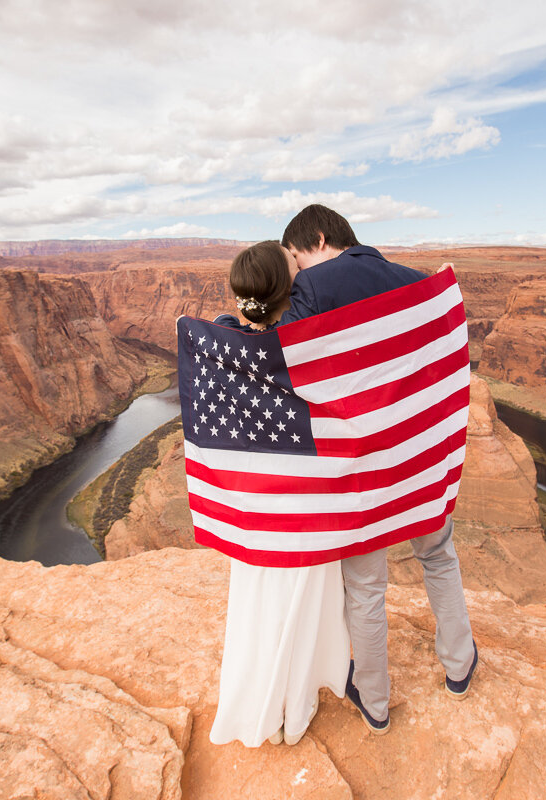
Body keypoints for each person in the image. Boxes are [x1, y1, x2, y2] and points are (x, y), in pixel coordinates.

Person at [278, 204, 479, 735]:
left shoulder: (314, 289)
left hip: (361, 475)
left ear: (317, 237)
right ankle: (459, 667)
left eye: (297, 257)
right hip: (417, 463)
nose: (298, 270)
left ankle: (376, 702)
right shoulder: (414, 285)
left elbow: (283, 364)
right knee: (439, 557)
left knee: (365, 589)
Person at [206, 240, 351, 748]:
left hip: (253, 511)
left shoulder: (220, 346)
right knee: (302, 604)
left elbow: (226, 326)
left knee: (258, 605)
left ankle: (259, 699)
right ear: (289, 289)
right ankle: (296, 697)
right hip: (306, 509)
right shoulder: (308, 348)